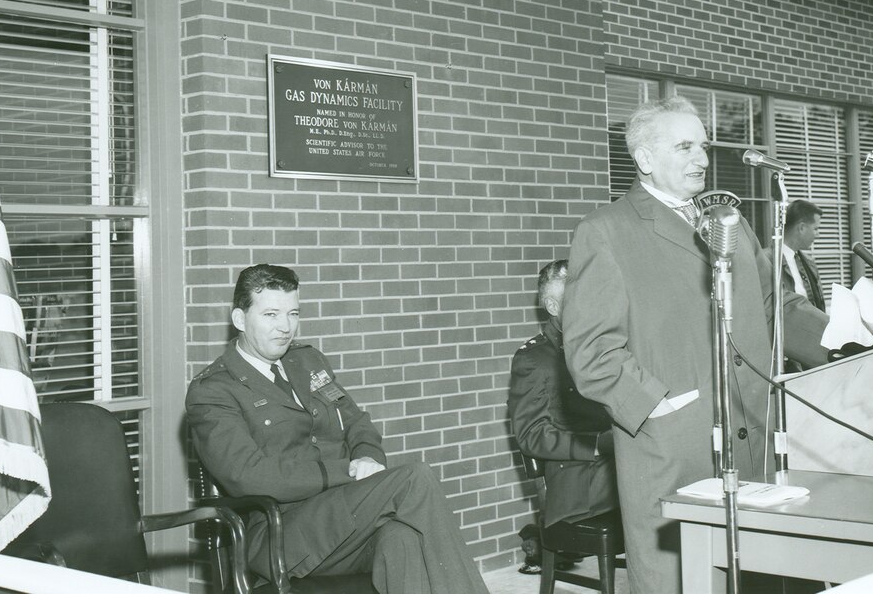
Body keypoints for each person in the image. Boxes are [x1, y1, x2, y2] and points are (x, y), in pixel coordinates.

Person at [562, 97, 829, 594]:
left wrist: (840, 342)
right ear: (644, 159)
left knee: (761, 576)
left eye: (703, 145)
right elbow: (591, 353)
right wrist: (658, 405)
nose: (703, 159)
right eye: (685, 146)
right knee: (682, 582)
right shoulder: (606, 232)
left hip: (752, 435)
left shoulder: (728, 220)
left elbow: (776, 305)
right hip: (674, 446)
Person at [186, 264, 489, 594]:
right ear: (240, 320)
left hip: (343, 523)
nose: (285, 327)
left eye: (293, 314)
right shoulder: (213, 390)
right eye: (271, 314)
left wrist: (367, 457)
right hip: (282, 535)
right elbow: (249, 476)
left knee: (400, 539)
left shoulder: (308, 362)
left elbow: (356, 422)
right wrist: (348, 470)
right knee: (416, 478)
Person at [508, 259, 619, 533]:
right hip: (578, 482)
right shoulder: (534, 359)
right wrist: (596, 445)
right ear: (554, 307)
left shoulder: (601, 348)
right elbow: (531, 436)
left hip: (611, 467)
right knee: (651, 483)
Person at [768, 199, 826, 311]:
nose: (818, 235)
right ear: (801, 228)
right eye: (815, 229)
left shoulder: (809, 263)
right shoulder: (767, 261)